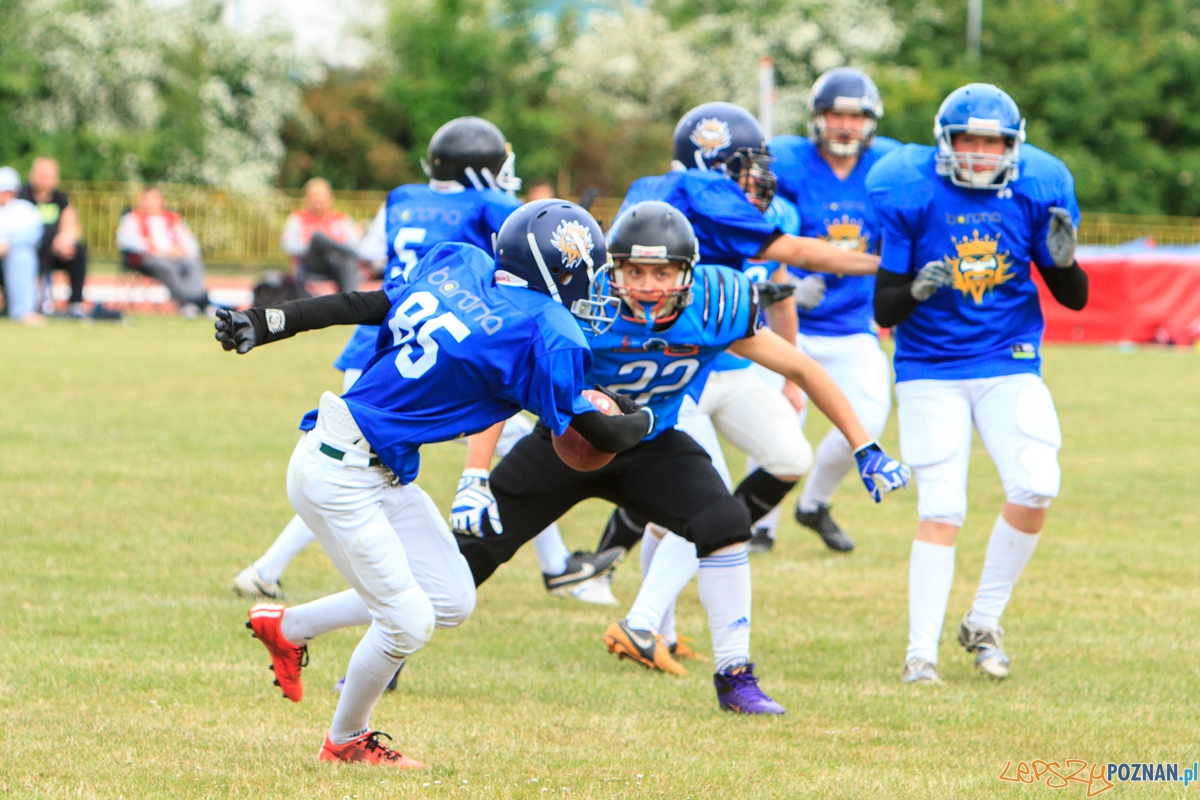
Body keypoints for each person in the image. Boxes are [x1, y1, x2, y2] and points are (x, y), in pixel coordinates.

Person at [214, 200, 654, 766]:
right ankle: (346, 741)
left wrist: (272, 320)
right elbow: (594, 434)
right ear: (560, 269)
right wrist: (639, 417)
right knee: (408, 621)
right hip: (339, 470)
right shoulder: (547, 328)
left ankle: (288, 627)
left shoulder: (460, 264)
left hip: (373, 467)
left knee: (449, 598)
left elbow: (362, 303)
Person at [453, 201, 910, 714]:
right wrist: (474, 473)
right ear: (612, 269)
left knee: (725, 521)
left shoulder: (716, 303)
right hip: (567, 440)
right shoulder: (580, 301)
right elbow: (503, 383)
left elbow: (802, 369)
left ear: (687, 271)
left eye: (663, 271)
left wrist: (863, 445)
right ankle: (391, 647)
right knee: (465, 558)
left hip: (651, 445)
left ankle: (734, 674)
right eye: (635, 271)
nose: (648, 285)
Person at [229, 117, 607, 607]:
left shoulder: (404, 197)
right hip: (457, 344)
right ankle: (269, 571)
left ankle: (554, 564)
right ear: (478, 172)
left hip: (391, 329)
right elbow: (528, 244)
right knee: (362, 464)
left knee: (353, 459)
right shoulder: (487, 202)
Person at [866, 83, 1088, 684]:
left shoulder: (1037, 187)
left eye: (993, 142)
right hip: (930, 367)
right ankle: (921, 655)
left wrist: (1064, 263)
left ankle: (984, 619)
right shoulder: (909, 188)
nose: (981, 152)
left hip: (1008, 360)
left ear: (1013, 145)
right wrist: (913, 290)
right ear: (947, 141)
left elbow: (1073, 299)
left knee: (1038, 483)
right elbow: (885, 309)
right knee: (944, 505)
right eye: (969, 139)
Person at [750, 67, 901, 553]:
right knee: (778, 422)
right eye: (836, 113)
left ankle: (814, 502)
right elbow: (760, 235)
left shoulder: (889, 166)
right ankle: (759, 525)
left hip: (851, 322)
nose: (845, 125)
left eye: (856, 116)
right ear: (818, 117)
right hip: (782, 323)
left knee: (869, 420)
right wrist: (788, 284)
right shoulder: (789, 161)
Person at [115, 187, 211, 317]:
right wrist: (152, 248)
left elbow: (190, 243)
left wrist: (182, 251)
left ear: (161, 201)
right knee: (167, 268)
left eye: (154, 199)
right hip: (149, 259)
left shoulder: (173, 218)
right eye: (146, 199)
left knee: (193, 264)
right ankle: (188, 303)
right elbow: (125, 240)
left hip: (176, 257)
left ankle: (197, 301)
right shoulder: (132, 218)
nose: (150, 203)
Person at [20, 157, 90, 318]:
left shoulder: (60, 198)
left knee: (77, 251)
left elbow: (72, 224)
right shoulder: (22, 196)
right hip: (31, 250)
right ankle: (33, 300)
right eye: (41, 175)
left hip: (55, 251)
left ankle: (75, 303)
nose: (45, 179)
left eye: (49, 175)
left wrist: (65, 240)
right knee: (46, 233)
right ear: (32, 175)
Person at [281, 178, 363, 293]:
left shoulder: (342, 219)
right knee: (318, 238)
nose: (317, 199)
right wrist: (315, 246)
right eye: (313, 195)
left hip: (336, 263)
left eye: (320, 195)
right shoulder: (297, 219)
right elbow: (288, 246)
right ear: (306, 198)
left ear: (330, 197)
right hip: (311, 264)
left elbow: (355, 245)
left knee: (348, 264)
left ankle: (351, 304)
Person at [0, 166, 45, 325]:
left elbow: (32, 235)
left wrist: (8, 244)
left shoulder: (24, 210)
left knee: (22, 256)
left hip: (11, 257)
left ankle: (23, 312)